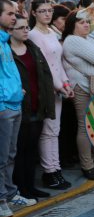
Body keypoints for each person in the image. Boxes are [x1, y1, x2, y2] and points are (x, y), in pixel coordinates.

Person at [28, 0, 74, 190]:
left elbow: (58, 61)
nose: (47, 14)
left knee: (55, 130)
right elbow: (44, 64)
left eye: (49, 11)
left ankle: (56, 169)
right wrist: (60, 86)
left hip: (57, 86)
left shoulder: (51, 32)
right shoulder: (33, 35)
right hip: (45, 88)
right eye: (42, 11)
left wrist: (66, 82)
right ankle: (50, 172)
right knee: (48, 131)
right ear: (33, 13)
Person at [10, 14, 55, 199]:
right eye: (21, 28)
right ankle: (20, 189)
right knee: (18, 151)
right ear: (10, 31)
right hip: (19, 107)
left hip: (37, 105)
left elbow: (45, 74)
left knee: (31, 150)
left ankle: (31, 186)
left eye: (27, 27)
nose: (26, 30)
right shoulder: (7, 51)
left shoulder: (32, 48)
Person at [1, 0, 37, 217]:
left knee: (10, 154)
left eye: (15, 14)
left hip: (14, 103)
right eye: (9, 14)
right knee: (2, 156)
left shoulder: (4, 41)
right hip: (4, 106)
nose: (14, 17)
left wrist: (18, 91)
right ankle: (1, 199)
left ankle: (10, 194)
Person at [61, 11, 94, 181]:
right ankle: (88, 166)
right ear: (72, 25)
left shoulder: (86, 39)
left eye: (87, 22)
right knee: (85, 125)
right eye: (81, 22)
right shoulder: (73, 41)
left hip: (92, 86)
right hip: (80, 87)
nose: (86, 25)